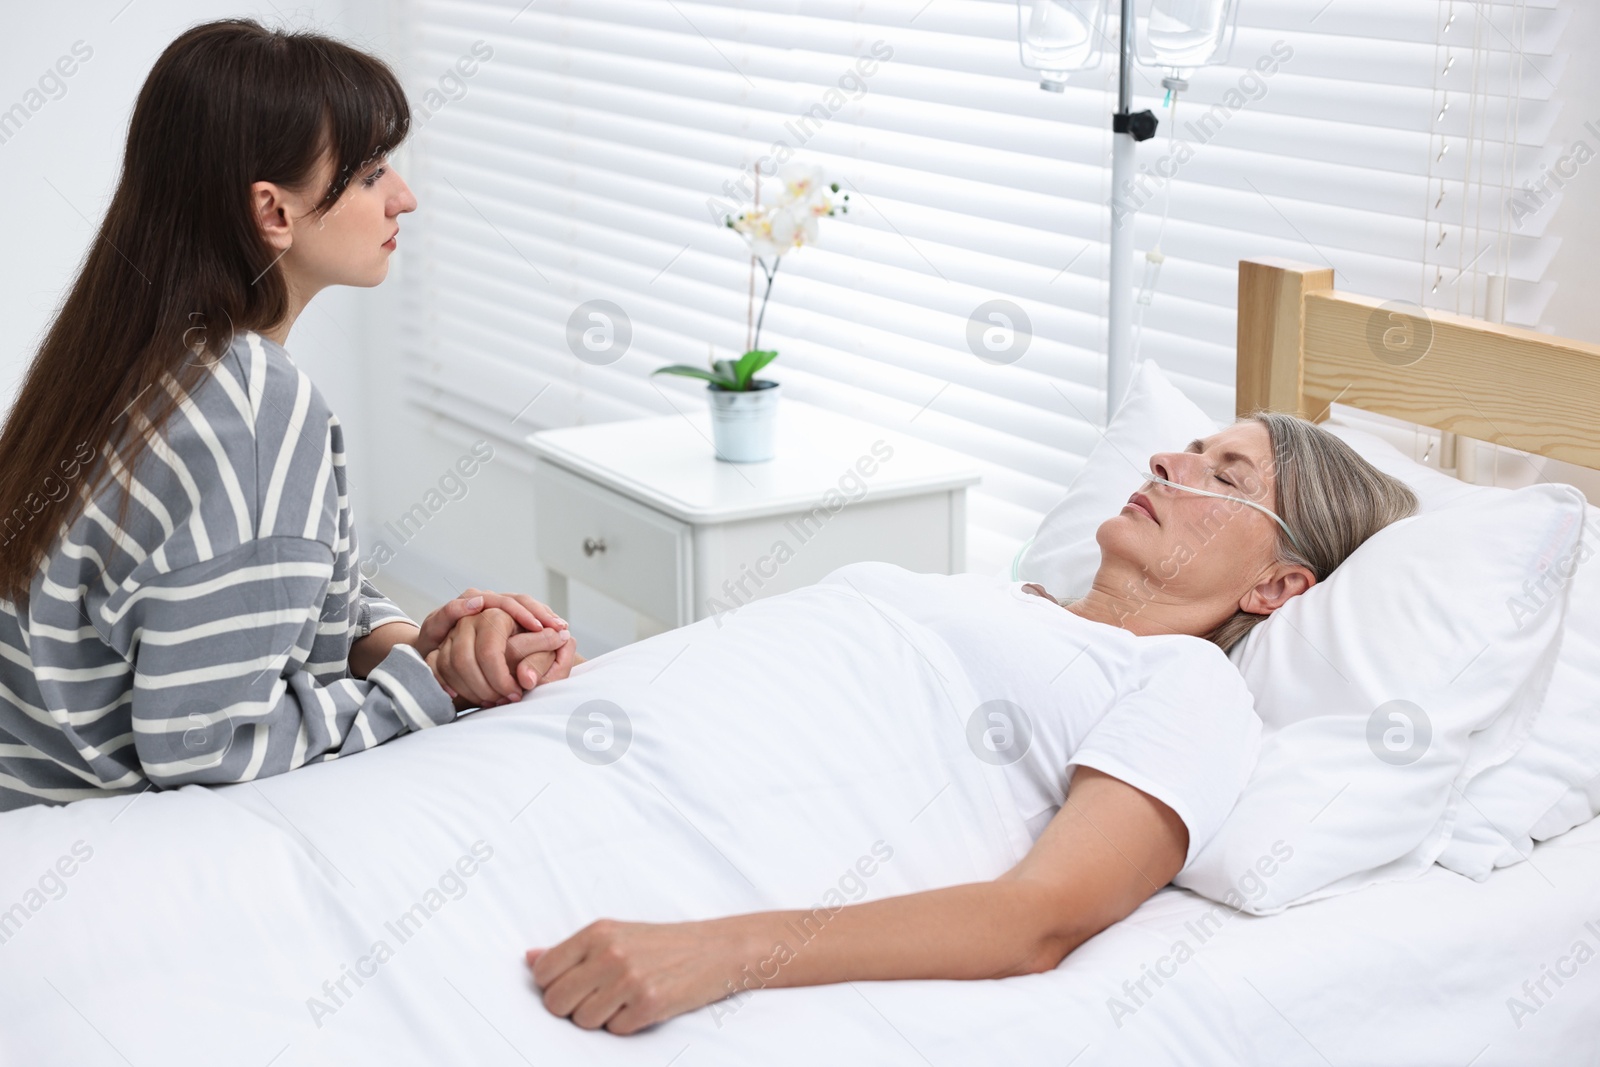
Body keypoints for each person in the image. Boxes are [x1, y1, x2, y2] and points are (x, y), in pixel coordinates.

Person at [522, 412, 1419, 1035]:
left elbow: (1037, 920)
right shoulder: (985, 593)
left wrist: (722, 950)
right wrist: (545, 667)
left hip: (635, 853)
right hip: (546, 748)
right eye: (1188, 449)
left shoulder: (1186, 684)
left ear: (1275, 587)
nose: (1167, 467)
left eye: (1225, 477)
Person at [0, 20, 578, 811]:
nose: (404, 197)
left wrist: (401, 643)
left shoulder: (126, 353)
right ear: (273, 212)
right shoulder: (254, 410)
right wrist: (432, 683)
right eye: (373, 173)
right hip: (72, 832)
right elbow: (202, 744)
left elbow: (243, 590)